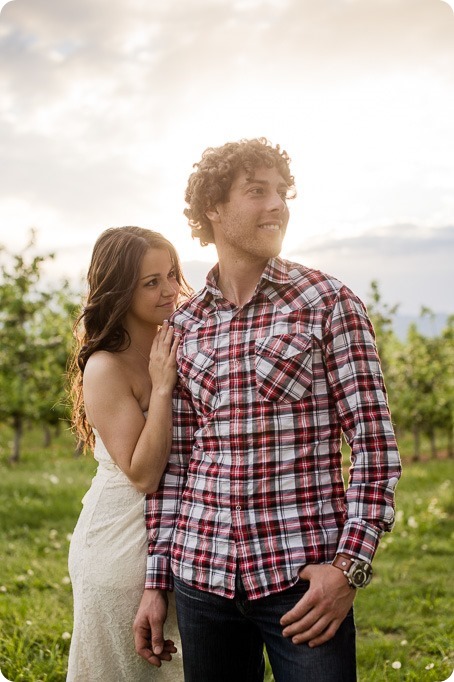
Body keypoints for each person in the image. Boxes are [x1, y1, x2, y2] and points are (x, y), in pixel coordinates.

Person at [133, 139, 402, 681]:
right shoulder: (184, 326)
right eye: (256, 192)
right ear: (213, 207)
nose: (277, 205)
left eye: (282, 193)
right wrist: (156, 581)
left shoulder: (327, 302)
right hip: (200, 577)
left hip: (301, 584)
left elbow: (374, 448)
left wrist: (348, 568)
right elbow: (176, 467)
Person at [67, 226, 189, 681]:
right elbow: (142, 474)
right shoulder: (107, 365)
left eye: (172, 274)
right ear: (120, 288)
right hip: (123, 544)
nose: (170, 290)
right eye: (151, 282)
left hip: (176, 537)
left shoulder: (173, 340)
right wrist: (161, 388)